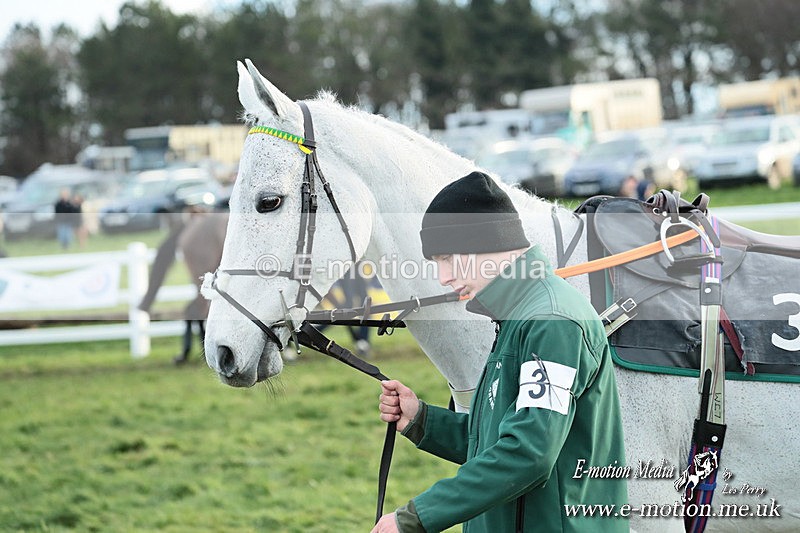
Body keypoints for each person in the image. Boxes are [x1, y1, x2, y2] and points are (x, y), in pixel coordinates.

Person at [374, 171, 628, 533]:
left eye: (446, 258)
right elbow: (500, 441)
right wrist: (423, 421)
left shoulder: (551, 322)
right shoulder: (518, 315)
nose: (443, 277)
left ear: (485, 242)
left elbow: (529, 453)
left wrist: (415, 517)